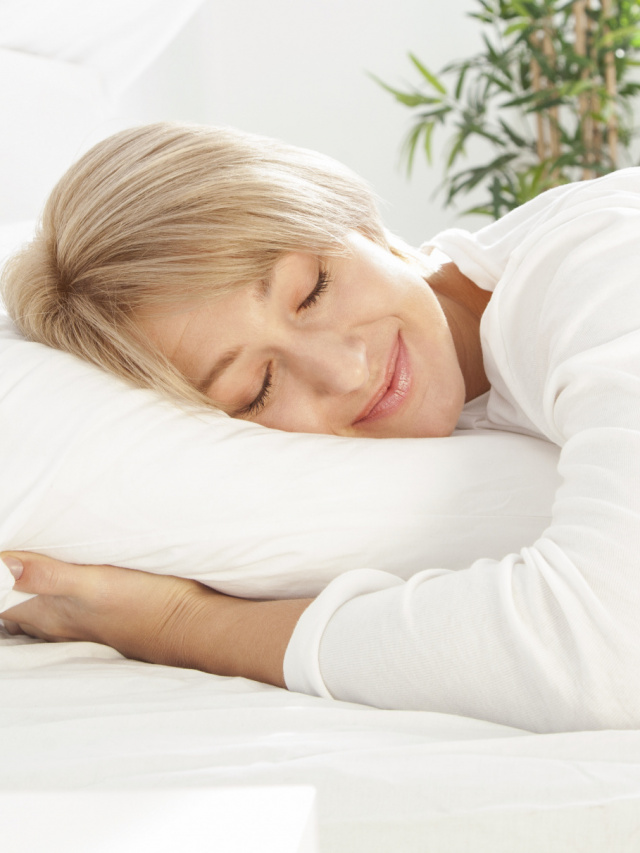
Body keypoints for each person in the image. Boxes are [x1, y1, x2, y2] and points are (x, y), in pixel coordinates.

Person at [1, 122, 640, 733]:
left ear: (354, 216)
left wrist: (178, 621)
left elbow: (606, 649)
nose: (345, 369)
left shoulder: (600, 267)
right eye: (257, 389)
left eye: (313, 290)